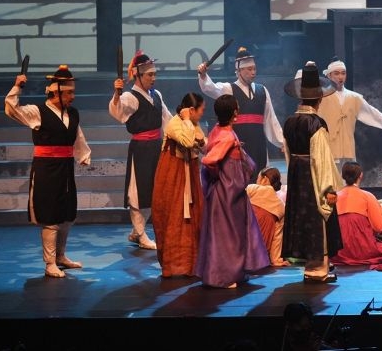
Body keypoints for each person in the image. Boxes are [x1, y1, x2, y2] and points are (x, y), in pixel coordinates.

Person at [5, 65, 92, 278]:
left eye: (73, 92)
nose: (73, 97)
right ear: (56, 92)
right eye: (69, 93)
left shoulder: (72, 113)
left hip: (66, 168)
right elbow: (11, 108)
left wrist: (83, 155)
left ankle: (61, 256)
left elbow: (77, 135)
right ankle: (50, 263)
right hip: (46, 169)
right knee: (51, 215)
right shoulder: (38, 112)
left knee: (67, 214)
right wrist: (17, 87)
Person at [196, 93, 270, 288]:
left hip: (227, 190)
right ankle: (224, 276)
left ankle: (233, 272)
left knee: (228, 233)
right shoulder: (227, 136)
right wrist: (219, 175)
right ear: (234, 112)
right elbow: (209, 160)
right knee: (229, 235)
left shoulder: (218, 130)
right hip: (228, 192)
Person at [281, 62, 343, 283]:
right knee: (316, 219)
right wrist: (329, 189)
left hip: (296, 175)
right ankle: (317, 270)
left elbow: (288, 153)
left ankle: (309, 267)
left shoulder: (289, 122)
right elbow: (322, 159)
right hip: (313, 176)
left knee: (301, 218)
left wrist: (294, 174)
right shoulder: (316, 123)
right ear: (319, 99)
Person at [110, 50, 172, 250]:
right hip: (141, 149)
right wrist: (117, 94)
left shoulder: (157, 95)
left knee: (154, 190)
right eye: (149, 75)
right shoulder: (130, 96)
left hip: (156, 147)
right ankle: (141, 233)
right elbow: (118, 112)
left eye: (155, 74)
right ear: (138, 75)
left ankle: (138, 231)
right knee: (138, 191)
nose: (153, 78)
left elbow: (167, 120)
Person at [197, 45, 286, 180]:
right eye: (249, 69)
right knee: (240, 180)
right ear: (239, 71)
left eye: (254, 68)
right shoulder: (230, 89)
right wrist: (203, 75)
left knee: (259, 179)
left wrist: (282, 142)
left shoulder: (262, 91)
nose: (253, 72)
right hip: (239, 144)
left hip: (259, 144)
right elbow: (211, 88)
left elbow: (270, 120)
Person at [151, 92, 206, 277]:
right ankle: (173, 265)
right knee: (174, 216)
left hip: (189, 173)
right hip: (173, 174)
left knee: (192, 217)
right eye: (201, 109)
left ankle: (191, 264)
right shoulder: (174, 123)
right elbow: (187, 141)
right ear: (191, 110)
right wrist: (188, 120)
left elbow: (202, 143)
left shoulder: (193, 123)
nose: (202, 113)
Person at [316, 56, 382, 164]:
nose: (340, 77)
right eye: (336, 73)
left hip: (347, 147)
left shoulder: (354, 97)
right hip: (328, 148)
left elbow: (370, 111)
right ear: (329, 75)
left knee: (349, 172)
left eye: (343, 73)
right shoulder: (321, 96)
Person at [332, 161, 382, 265]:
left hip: (338, 251)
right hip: (363, 248)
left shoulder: (334, 197)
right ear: (361, 175)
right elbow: (379, 227)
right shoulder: (367, 196)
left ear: (342, 175)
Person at [246, 166, 288, 267]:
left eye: (258, 178)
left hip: (243, 249)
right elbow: (277, 238)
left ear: (264, 179)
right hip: (261, 256)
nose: (256, 181)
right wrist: (276, 260)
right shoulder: (281, 206)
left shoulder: (253, 189)